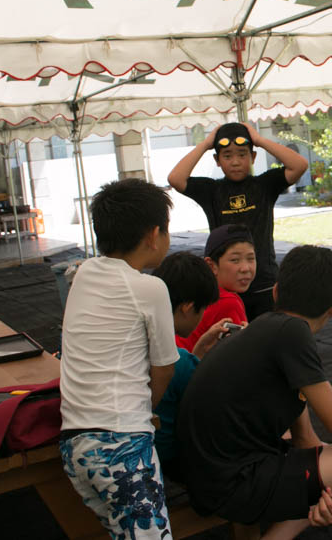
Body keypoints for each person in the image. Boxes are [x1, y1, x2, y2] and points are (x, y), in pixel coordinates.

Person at [177, 245, 332, 540]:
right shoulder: (292, 333)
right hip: (232, 482)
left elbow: (305, 441)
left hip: (212, 476)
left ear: (275, 292)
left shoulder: (268, 330)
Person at [58, 178, 179, 539]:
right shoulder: (150, 288)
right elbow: (164, 367)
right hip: (120, 447)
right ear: (153, 235)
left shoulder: (83, 274)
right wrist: (149, 408)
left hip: (75, 445)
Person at [168, 122, 308, 321]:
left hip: (263, 282)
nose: (235, 161)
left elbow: (299, 165)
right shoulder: (211, 191)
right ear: (217, 160)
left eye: (242, 154)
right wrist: (205, 144)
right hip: (226, 286)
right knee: (231, 342)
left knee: (265, 340)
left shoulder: (264, 185)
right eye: (227, 155)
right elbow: (175, 178)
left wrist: (259, 140)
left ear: (253, 157)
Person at [151, 251, 232, 477]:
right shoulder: (179, 362)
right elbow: (215, 404)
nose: (203, 315)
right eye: (202, 308)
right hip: (172, 460)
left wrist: (199, 351)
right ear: (187, 307)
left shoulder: (145, 342)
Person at [174, 224, 254, 352]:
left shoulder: (196, 288)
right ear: (212, 265)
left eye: (251, 259)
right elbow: (240, 356)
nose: (246, 268)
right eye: (235, 260)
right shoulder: (228, 302)